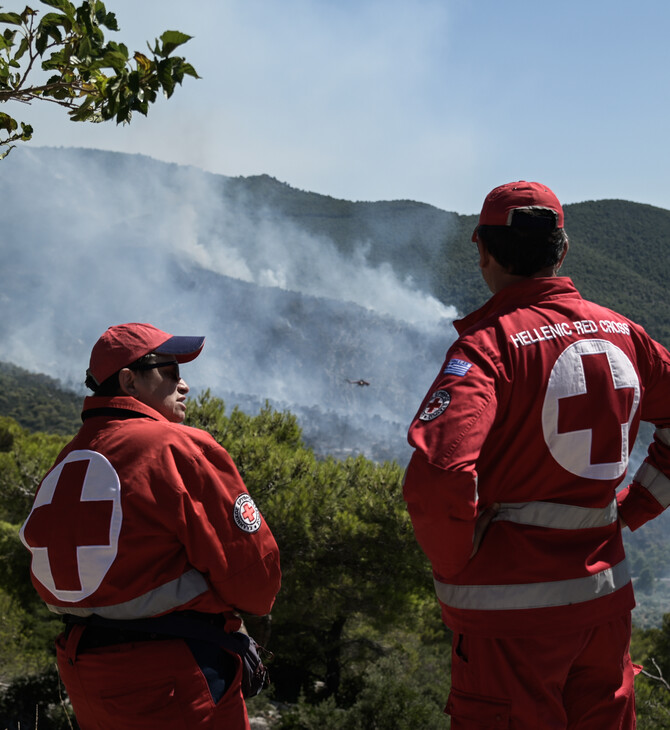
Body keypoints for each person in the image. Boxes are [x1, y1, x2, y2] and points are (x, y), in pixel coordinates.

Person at [403, 181, 670, 729]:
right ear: (563, 250)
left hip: (509, 625)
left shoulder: (487, 346)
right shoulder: (627, 336)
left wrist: (458, 564)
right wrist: (631, 509)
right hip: (605, 606)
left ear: (481, 250)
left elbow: (439, 474)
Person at [20, 322, 281, 730]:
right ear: (129, 381)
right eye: (171, 372)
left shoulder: (68, 457)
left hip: (84, 670)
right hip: (174, 678)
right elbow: (254, 576)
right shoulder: (175, 446)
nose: (184, 385)